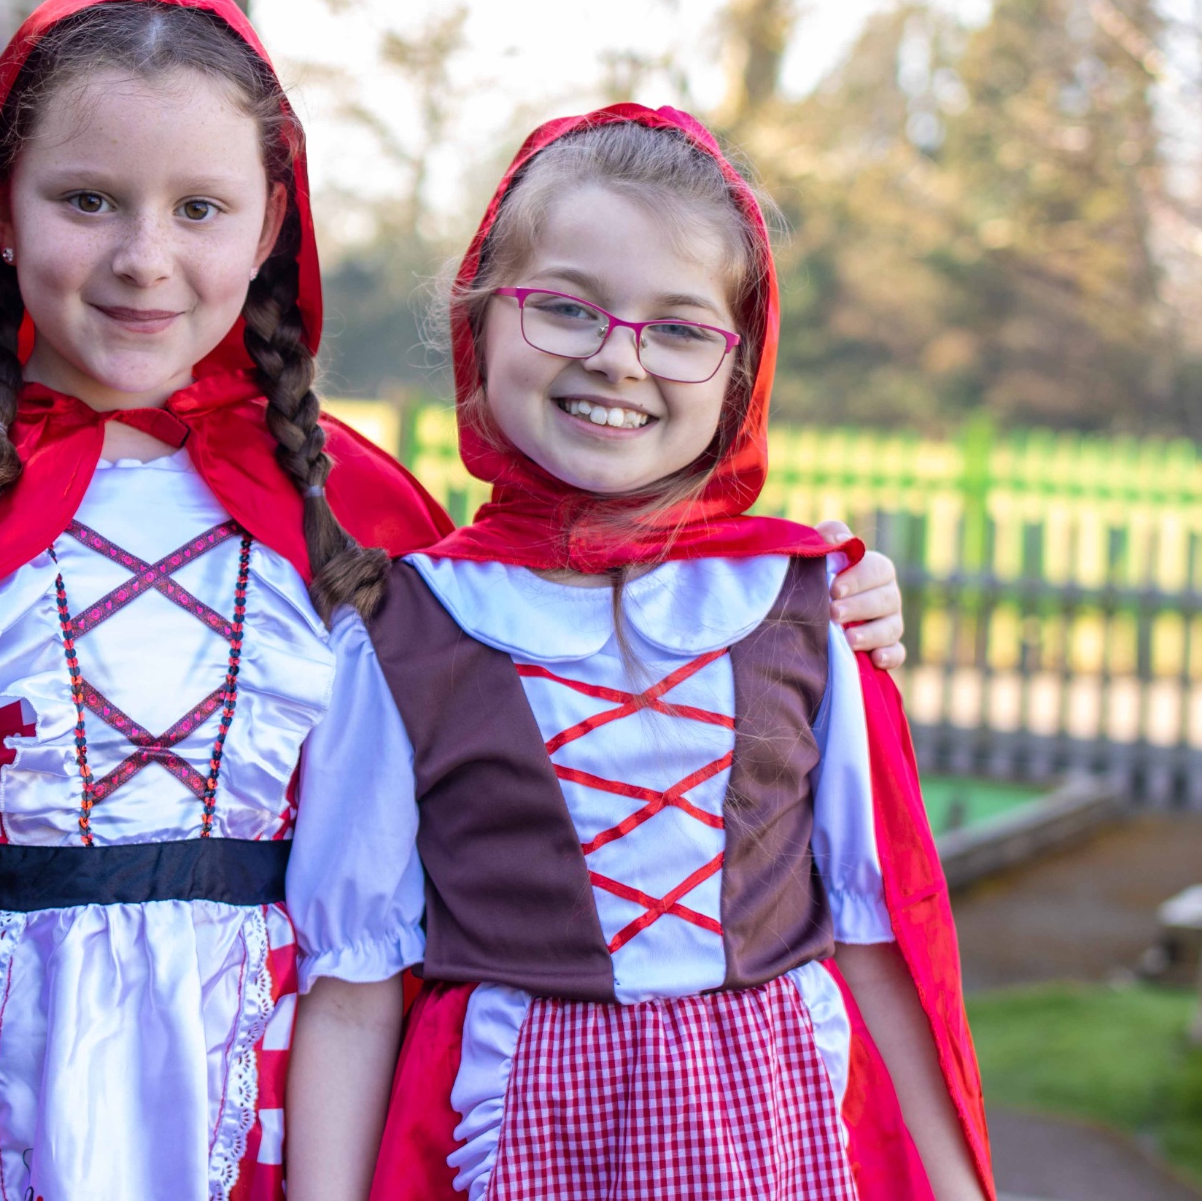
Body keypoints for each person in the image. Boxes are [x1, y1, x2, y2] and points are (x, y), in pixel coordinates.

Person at [0, 0, 910, 1199]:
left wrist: (834, 597)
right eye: (88, 199)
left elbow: (578, 645)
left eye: (200, 209)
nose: (143, 259)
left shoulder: (360, 510)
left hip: (271, 1099)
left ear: (272, 223)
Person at [283, 105, 992, 1201]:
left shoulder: (802, 603)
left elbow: (875, 929)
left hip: (770, 1129)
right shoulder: (405, 626)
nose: (616, 357)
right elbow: (351, 983)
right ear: (479, 320)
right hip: (508, 1130)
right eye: (564, 307)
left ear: (735, 367)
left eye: (678, 327)